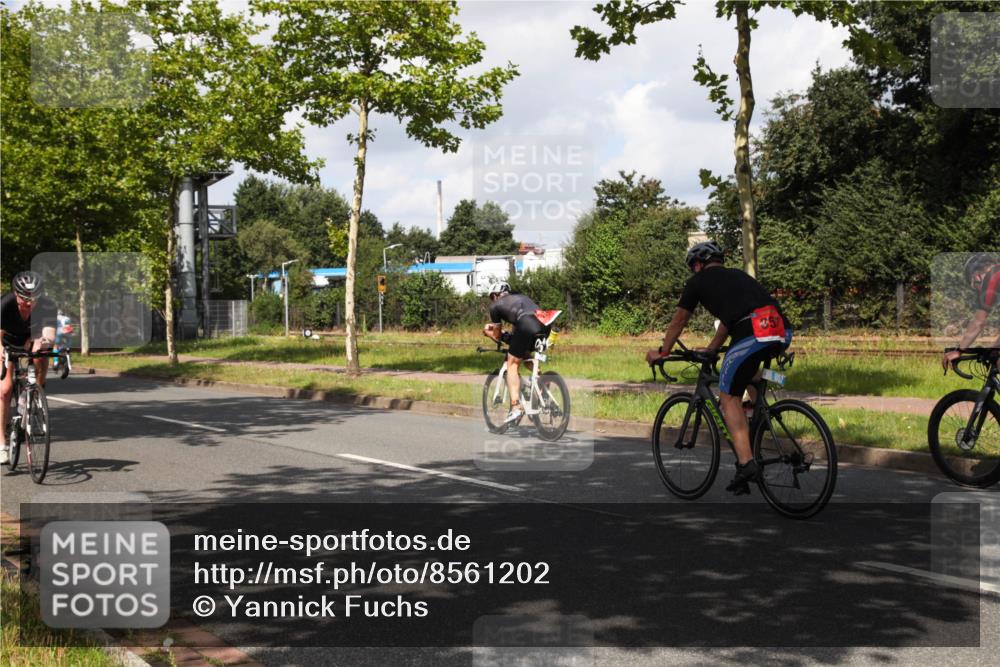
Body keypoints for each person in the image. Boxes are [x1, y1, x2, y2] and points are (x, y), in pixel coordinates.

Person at [645, 241, 792, 494]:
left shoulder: (698, 282)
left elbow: (679, 320)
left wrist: (663, 352)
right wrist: (712, 347)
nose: (694, 271)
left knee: (728, 397)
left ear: (698, 264)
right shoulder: (737, 276)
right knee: (746, 373)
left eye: (693, 267)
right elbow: (729, 320)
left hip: (752, 333)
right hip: (781, 331)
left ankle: (746, 463)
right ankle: (759, 421)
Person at [1, 271, 58, 464]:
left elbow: (49, 334)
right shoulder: (5, 304)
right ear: (15, 294)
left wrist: (44, 342)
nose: (28, 303)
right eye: (24, 298)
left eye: (33, 299)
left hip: (30, 339)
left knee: (42, 352)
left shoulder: (48, 305)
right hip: (6, 342)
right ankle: (1, 443)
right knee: (4, 389)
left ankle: (35, 391)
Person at [482, 281, 547, 425]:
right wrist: (510, 338)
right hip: (544, 323)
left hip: (526, 324)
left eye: (491, 297)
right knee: (525, 355)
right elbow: (517, 334)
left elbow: (498, 336)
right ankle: (543, 386)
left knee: (512, 365)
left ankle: (516, 406)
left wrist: (488, 332)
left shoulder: (495, 306)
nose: (492, 301)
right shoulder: (521, 298)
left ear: (495, 295)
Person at [941, 253, 1000, 371]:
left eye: (974, 284)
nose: (978, 289)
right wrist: (995, 347)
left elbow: (978, 322)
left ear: (977, 274)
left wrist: (959, 350)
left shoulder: (993, 276)